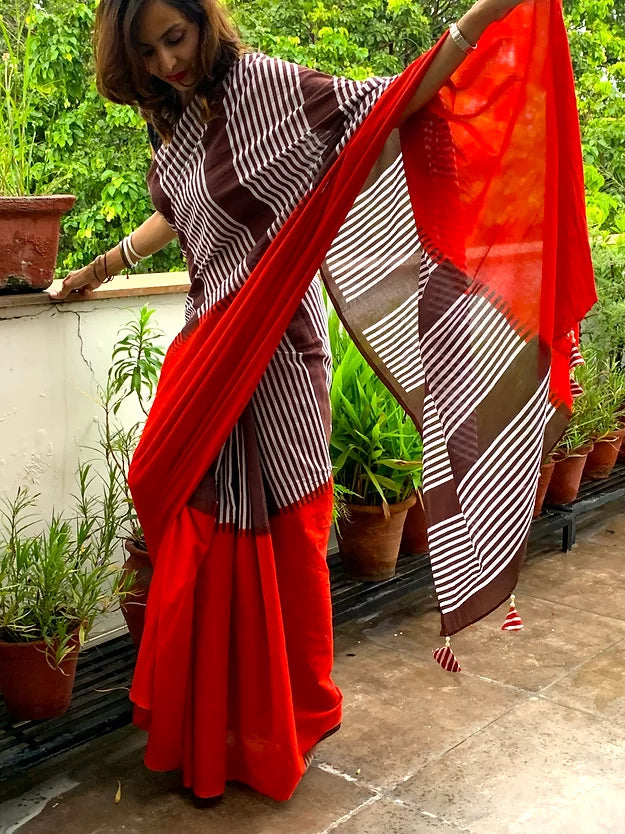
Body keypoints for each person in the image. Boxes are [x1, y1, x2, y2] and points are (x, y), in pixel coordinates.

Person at [51, 0, 594, 803]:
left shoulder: (273, 88)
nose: (168, 61)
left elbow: (394, 102)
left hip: (280, 355)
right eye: (148, 50)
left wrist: (480, 18)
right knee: (198, 546)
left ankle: (285, 720)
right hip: (208, 358)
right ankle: (210, 735)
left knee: (287, 539)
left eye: (177, 37)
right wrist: (94, 270)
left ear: (205, 23)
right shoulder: (169, 126)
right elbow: (176, 213)